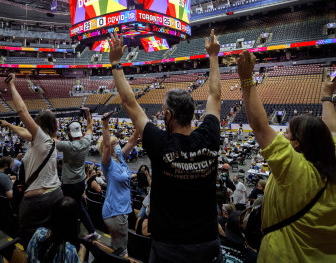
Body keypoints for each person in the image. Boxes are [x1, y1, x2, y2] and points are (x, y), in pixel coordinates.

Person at [108, 30, 222, 262]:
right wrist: (213, 56)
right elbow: (215, 95)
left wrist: (116, 63)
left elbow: (129, 102)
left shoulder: (159, 143)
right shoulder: (210, 134)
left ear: (168, 115)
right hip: (208, 244)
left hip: (169, 247)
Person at [237, 49, 336, 261]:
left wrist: (247, 79)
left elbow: (259, 126)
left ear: (297, 144)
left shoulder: (296, 172)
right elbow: (333, 131)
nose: (283, 135)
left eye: (287, 133)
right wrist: (327, 96)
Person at [5, 74, 63, 244]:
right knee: (53, 238)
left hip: (39, 201)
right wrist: (9, 125)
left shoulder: (41, 139)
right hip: (55, 195)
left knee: (30, 241)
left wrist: (12, 86)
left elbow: (22, 111)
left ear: (39, 123)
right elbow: (24, 132)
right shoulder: (44, 140)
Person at [98, 110, 138, 256]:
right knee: (122, 251)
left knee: (115, 246)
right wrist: (105, 125)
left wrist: (140, 123)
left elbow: (133, 140)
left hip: (120, 209)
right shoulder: (107, 163)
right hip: (115, 212)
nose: (117, 145)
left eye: (117, 142)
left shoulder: (120, 158)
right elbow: (107, 146)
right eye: (114, 143)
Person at [56, 108, 97, 240]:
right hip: (81, 182)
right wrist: (88, 114)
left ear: (69, 132)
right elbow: (90, 127)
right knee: (79, 205)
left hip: (69, 184)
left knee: (66, 208)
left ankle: (67, 233)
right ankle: (92, 231)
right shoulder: (86, 141)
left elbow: (49, 138)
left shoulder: (67, 145)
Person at [26, 196, 86, 263]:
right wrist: (81, 255)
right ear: (74, 223)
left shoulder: (38, 232)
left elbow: (28, 257)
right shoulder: (70, 251)